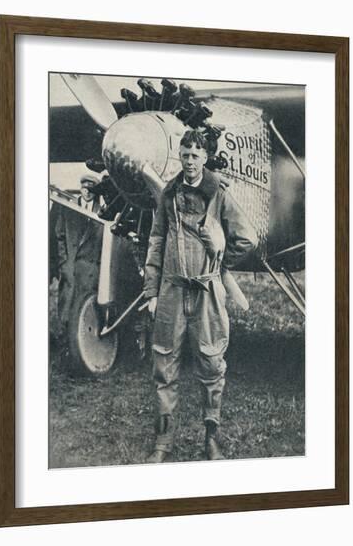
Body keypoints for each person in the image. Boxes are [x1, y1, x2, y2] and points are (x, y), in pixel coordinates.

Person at [143, 130, 258, 463]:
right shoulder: (168, 194)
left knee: (211, 365)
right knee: (164, 367)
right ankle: (162, 444)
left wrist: (220, 266)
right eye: (185, 154)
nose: (189, 161)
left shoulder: (219, 194)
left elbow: (246, 238)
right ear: (180, 155)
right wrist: (152, 291)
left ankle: (211, 439)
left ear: (205, 157)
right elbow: (156, 242)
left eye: (195, 155)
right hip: (171, 292)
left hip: (207, 293)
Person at [53, 173, 103, 352]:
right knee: (66, 307)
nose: (87, 192)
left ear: (95, 192)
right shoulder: (69, 209)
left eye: (91, 190)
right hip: (71, 267)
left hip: (90, 270)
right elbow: (59, 235)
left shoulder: (102, 213)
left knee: (84, 309)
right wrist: (63, 263)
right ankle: (63, 346)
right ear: (80, 189)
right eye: (84, 188)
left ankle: (82, 350)